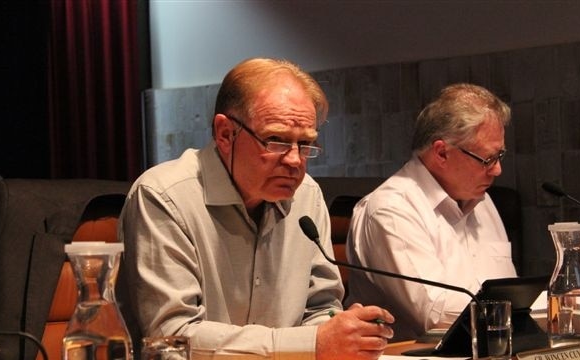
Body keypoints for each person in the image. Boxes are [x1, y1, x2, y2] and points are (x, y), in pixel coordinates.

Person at [120, 57, 394, 360]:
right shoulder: (163, 196)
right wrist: (311, 343)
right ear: (225, 134)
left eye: (305, 144)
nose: (294, 160)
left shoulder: (307, 196)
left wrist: (343, 332)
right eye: (275, 140)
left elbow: (319, 307)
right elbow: (171, 337)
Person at [345, 83, 517, 342]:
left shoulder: (482, 200)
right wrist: (514, 311)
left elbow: (509, 292)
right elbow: (434, 318)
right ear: (441, 153)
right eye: (487, 159)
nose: (497, 170)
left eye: (500, 155)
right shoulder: (390, 209)